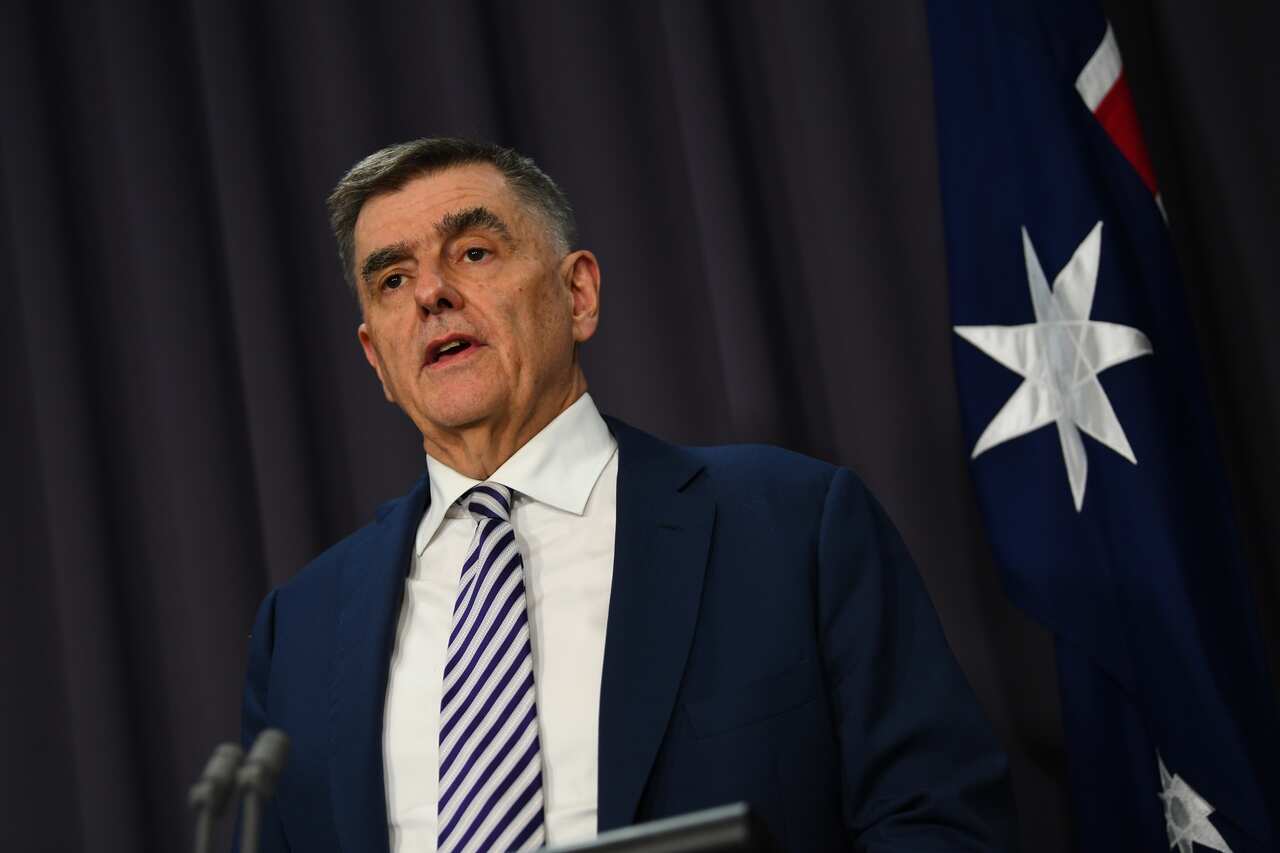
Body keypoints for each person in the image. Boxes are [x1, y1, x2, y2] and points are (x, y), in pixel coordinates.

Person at [239, 137, 1016, 852]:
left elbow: (939, 821)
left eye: (473, 252)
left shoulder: (791, 526)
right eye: (393, 278)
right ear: (376, 357)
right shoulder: (299, 631)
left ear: (578, 294)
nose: (432, 294)